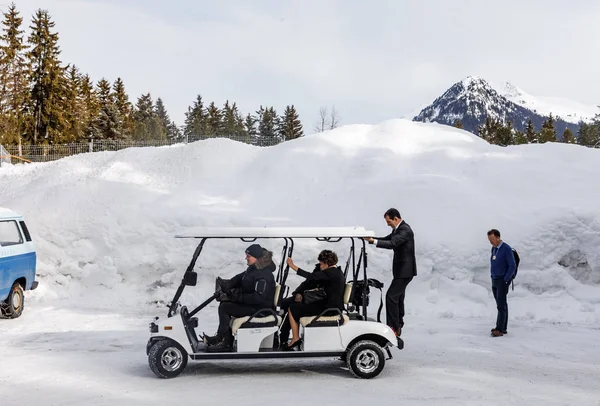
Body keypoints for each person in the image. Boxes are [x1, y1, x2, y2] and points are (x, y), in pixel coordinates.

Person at [203, 244, 276, 352]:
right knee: (224, 305)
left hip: (259, 309)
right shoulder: (254, 268)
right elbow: (240, 278)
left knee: (225, 307)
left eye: (248, 256)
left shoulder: (264, 275)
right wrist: (228, 284)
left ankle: (224, 341)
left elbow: (258, 298)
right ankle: (223, 339)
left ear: (256, 257)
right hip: (252, 306)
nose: (246, 258)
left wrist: (238, 297)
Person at [364, 208, 416, 337]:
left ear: (396, 219)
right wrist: (370, 238)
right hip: (401, 271)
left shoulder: (405, 230)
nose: (387, 224)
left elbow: (392, 243)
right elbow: (386, 239)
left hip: (405, 271)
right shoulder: (398, 229)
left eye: (388, 221)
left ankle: (393, 327)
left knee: (391, 297)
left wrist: (372, 241)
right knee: (398, 297)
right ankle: (398, 325)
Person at [283, 250, 345, 350]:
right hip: (329, 305)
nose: (320, 266)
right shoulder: (336, 271)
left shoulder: (330, 273)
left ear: (326, 263)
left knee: (293, 308)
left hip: (328, 308)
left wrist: (292, 266)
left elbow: (311, 277)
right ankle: (288, 337)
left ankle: (295, 338)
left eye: (321, 264)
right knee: (296, 306)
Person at [277, 262, 321, 348]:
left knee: (292, 308)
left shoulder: (328, 274)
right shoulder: (319, 269)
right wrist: (298, 292)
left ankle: (284, 337)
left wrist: (293, 266)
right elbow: (307, 282)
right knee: (284, 303)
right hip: (305, 297)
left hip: (313, 301)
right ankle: (280, 335)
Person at [487, 229, 516, 337]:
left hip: (502, 280)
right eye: (489, 240)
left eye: (492, 240)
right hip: (494, 279)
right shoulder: (494, 249)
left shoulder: (506, 249)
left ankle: (499, 329)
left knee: (501, 305)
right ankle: (502, 327)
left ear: (498, 237)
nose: (491, 242)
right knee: (501, 304)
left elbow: (512, 265)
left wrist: (506, 279)